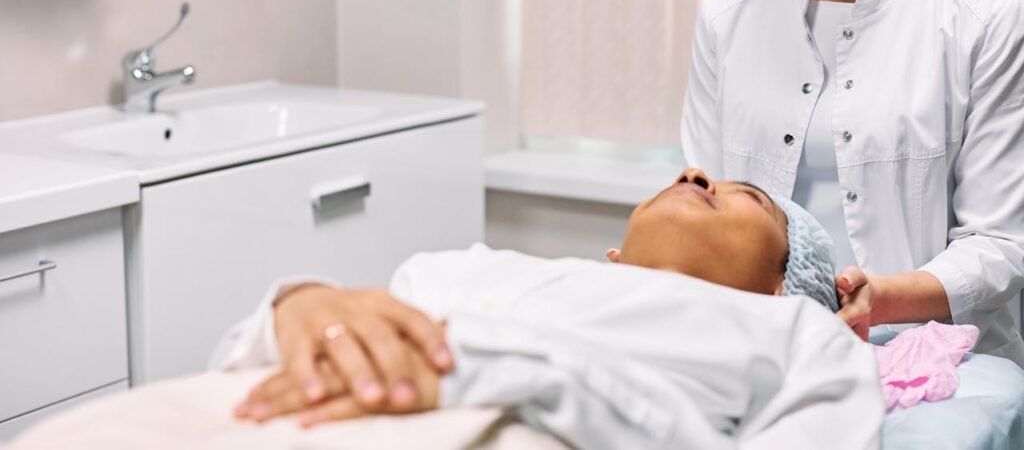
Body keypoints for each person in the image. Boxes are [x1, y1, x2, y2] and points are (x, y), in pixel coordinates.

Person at [681, 0, 1024, 365]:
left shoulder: (983, 16)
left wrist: (881, 299)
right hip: (762, 348)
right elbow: (703, 208)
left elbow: (1001, 243)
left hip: (933, 355)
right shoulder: (729, 14)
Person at [216, 170, 883, 449]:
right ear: (613, 259)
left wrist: (508, 370)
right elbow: (232, 375)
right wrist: (300, 304)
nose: (694, 175)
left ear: (780, 284)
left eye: (749, 196)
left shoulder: (799, 335)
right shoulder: (456, 268)